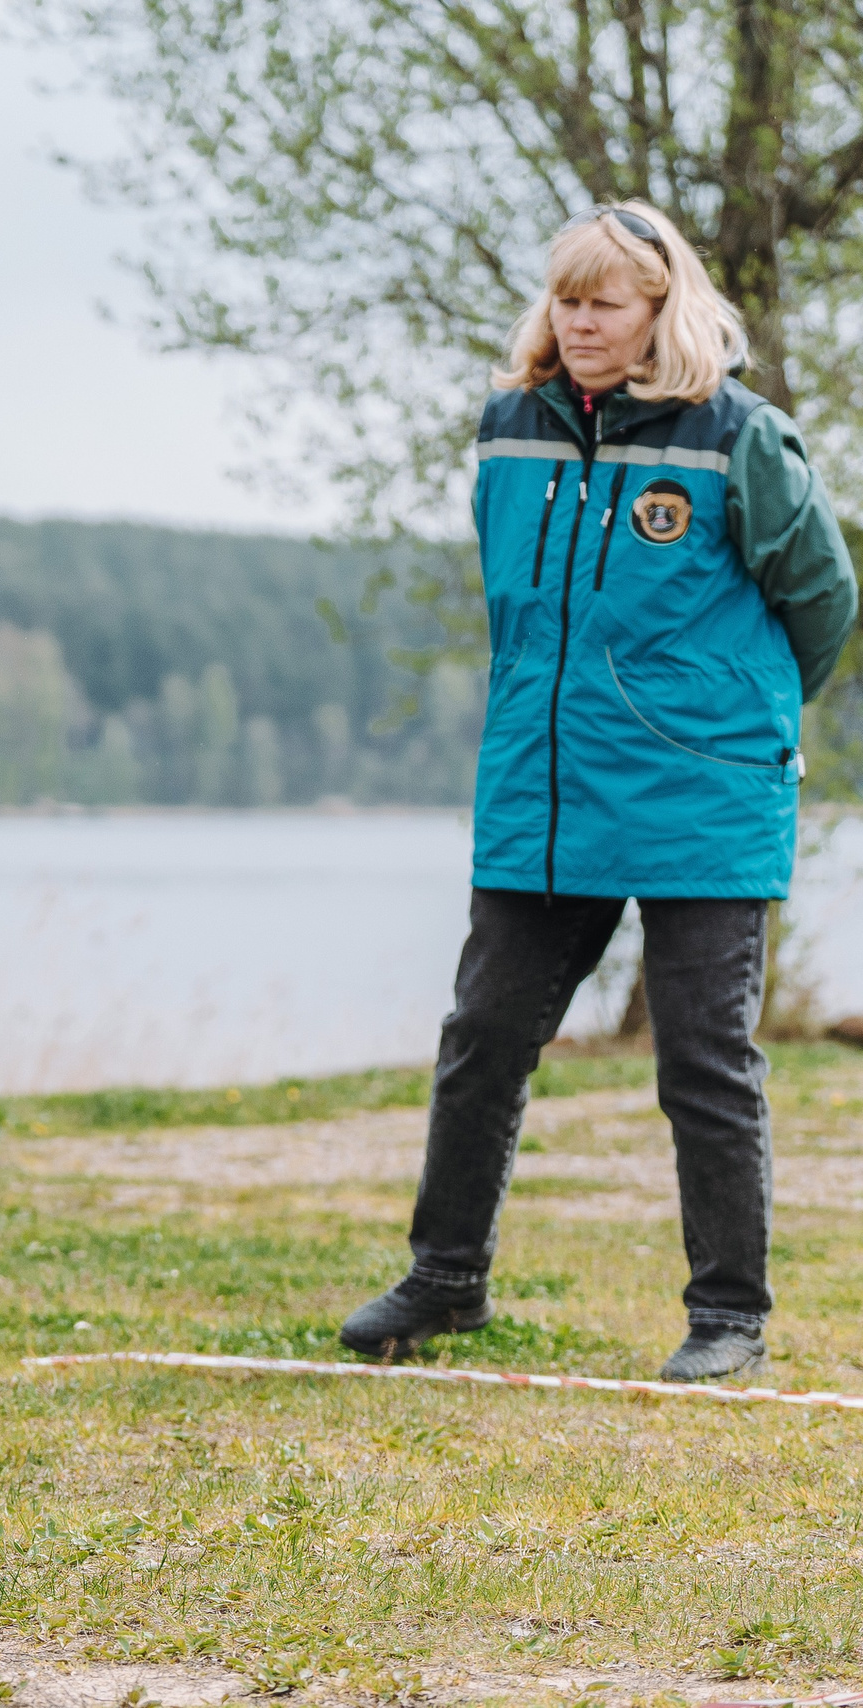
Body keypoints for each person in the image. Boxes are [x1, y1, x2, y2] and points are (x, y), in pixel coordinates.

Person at [340, 202, 857, 1382]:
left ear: (661, 310)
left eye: (604, 303)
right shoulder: (507, 430)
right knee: (482, 1037)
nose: (578, 322)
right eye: (565, 300)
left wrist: (742, 717)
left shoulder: (739, 436)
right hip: (545, 789)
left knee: (703, 1063)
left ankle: (727, 1319)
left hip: (704, 796)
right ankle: (445, 1279)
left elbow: (821, 601)